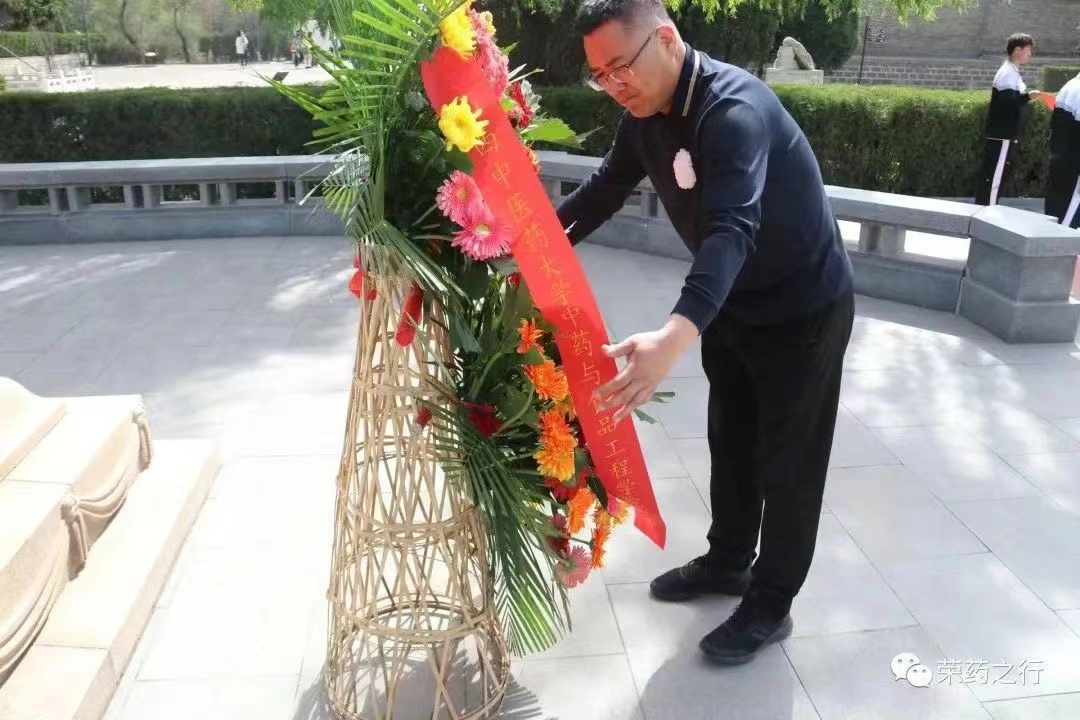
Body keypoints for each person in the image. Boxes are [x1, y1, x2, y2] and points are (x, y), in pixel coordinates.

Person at [556, 0, 854, 665]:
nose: (614, 85)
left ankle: (771, 603)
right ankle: (728, 561)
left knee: (790, 462)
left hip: (803, 309)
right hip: (735, 306)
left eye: (621, 66)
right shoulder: (644, 115)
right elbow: (604, 191)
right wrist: (524, 246)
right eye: (600, 76)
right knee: (733, 440)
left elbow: (731, 231)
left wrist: (672, 336)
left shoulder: (733, 112)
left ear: (666, 39)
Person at [976, 33, 1041, 206]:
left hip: (1002, 135)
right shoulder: (1007, 73)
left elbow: (1011, 101)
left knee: (995, 174)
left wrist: (1027, 96)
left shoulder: (1011, 72)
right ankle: (987, 210)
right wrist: (1026, 97)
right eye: (1028, 50)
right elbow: (1009, 104)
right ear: (1017, 50)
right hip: (1002, 135)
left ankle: (986, 207)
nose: (1030, 54)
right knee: (995, 176)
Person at [1045, 72, 1080, 228]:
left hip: (1060, 159)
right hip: (1073, 166)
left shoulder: (1070, 85)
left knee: (1056, 214)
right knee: (1067, 221)